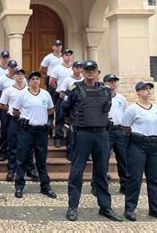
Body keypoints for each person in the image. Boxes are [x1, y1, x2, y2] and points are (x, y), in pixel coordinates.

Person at [62, 60, 122, 222]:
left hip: (102, 134)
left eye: (93, 70)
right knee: (76, 172)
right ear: (82, 72)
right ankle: (73, 207)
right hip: (82, 134)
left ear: (98, 72)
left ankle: (105, 207)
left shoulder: (105, 90)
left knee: (101, 172)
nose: (90, 72)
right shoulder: (74, 90)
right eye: (87, 70)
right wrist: (75, 123)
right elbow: (65, 110)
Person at [121, 81, 157, 222]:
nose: (148, 91)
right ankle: (130, 208)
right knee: (134, 178)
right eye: (145, 89)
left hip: (154, 146)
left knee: (155, 179)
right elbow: (125, 127)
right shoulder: (132, 109)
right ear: (138, 92)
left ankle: (155, 209)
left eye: (150, 89)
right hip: (138, 146)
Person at [12, 71, 57, 199]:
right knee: (22, 159)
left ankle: (45, 186)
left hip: (41, 131)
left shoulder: (45, 94)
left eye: (37, 79)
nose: (35, 81)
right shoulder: (23, 94)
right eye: (33, 79)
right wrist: (22, 119)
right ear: (29, 81)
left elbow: (50, 110)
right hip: (26, 131)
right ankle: (19, 187)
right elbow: (15, 110)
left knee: (41, 160)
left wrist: (48, 122)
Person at [0, 68, 35, 182]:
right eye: (18, 74)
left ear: (24, 77)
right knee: (12, 146)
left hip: (27, 121)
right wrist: (11, 109)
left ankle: (30, 169)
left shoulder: (29, 90)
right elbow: (1, 104)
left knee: (28, 147)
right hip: (14, 120)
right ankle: (11, 170)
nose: (20, 76)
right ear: (14, 76)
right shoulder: (9, 90)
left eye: (22, 74)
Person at [58, 61, 84, 160]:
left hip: (83, 110)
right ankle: (70, 153)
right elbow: (63, 94)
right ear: (72, 69)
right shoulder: (69, 81)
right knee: (71, 133)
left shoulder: (85, 80)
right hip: (72, 109)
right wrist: (70, 102)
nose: (79, 69)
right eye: (76, 67)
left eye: (80, 67)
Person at [0, 60, 18, 154]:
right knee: (4, 130)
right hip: (5, 108)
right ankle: (3, 152)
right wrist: (4, 97)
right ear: (8, 68)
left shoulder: (20, 79)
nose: (13, 68)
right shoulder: (2, 79)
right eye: (11, 67)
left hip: (18, 110)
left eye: (15, 66)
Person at [49, 48, 73, 148]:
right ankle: (58, 138)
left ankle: (70, 138)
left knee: (72, 117)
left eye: (70, 55)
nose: (68, 57)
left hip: (73, 97)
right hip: (60, 96)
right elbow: (51, 81)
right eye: (66, 55)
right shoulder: (57, 68)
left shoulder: (75, 68)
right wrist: (58, 88)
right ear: (62, 56)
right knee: (59, 117)